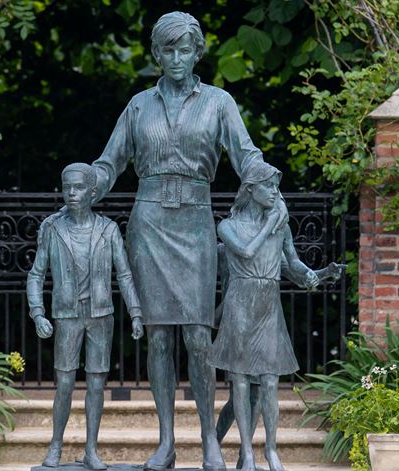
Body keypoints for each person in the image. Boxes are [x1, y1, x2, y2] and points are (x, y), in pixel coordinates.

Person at [88, 12, 285, 471]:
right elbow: (110, 161)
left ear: (198, 53)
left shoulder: (219, 102)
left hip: (196, 223)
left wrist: (269, 187)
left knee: (198, 335)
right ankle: (166, 442)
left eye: (185, 50)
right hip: (150, 222)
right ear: (157, 54)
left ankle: (208, 441)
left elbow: (246, 155)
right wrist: (86, 186)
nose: (176, 59)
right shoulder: (138, 106)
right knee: (158, 337)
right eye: (168, 50)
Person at [208, 162, 345, 471]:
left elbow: (293, 265)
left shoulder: (279, 226)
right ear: (250, 190)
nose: (274, 192)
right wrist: (270, 225)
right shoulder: (228, 226)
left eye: (276, 186)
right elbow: (245, 252)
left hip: (268, 305)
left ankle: (271, 449)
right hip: (240, 304)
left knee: (270, 381)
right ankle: (247, 453)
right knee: (240, 382)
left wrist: (321, 274)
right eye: (268, 186)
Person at [26, 163, 145, 470]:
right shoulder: (53, 229)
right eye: (67, 187)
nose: (72, 193)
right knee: (64, 383)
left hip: (101, 315)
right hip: (67, 315)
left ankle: (91, 449)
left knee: (96, 383)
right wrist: (37, 313)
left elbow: (126, 275)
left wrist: (135, 312)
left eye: (78, 188)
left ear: (93, 192)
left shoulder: (107, 229)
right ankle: (56, 445)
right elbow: (36, 275)